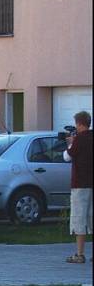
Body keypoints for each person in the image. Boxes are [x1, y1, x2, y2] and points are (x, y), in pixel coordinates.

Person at [63, 110, 93, 263]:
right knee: (91, 217)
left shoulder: (79, 139)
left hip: (80, 184)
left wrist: (70, 143)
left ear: (80, 124)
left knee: (79, 218)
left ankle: (80, 254)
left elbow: (67, 156)